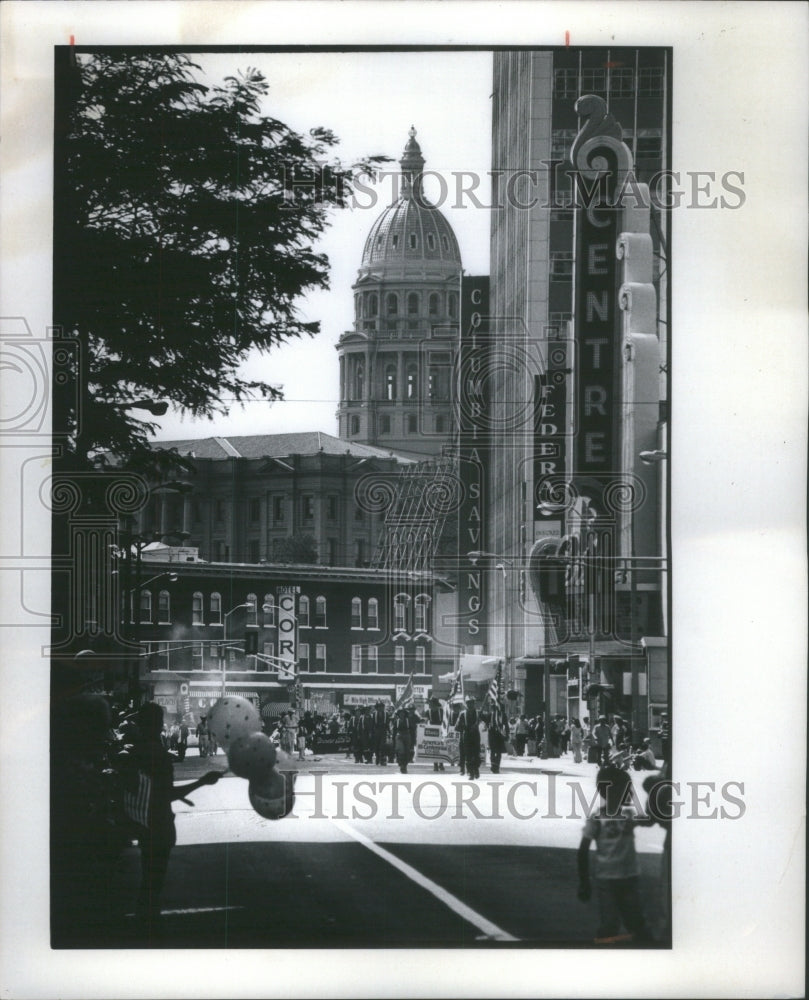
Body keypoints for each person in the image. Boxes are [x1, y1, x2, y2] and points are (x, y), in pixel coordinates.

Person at [120, 702, 221, 937]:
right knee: (155, 881)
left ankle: (142, 923)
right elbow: (169, 794)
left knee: (148, 877)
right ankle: (149, 928)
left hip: (142, 823)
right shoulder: (159, 756)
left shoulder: (134, 753)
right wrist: (202, 782)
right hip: (160, 823)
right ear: (158, 725)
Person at [576, 764, 652, 945]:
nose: (630, 794)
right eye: (627, 789)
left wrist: (654, 793)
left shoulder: (629, 814)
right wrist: (584, 882)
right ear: (610, 791)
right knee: (609, 925)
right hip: (607, 880)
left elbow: (650, 820)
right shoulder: (597, 818)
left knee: (635, 922)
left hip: (629, 877)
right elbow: (582, 850)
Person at [455, 697, 482, 780]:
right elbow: (457, 727)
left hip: (476, 737)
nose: (470, 705)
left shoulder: (478, 713)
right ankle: (470, 772)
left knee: (476, 755)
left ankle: (476, 769)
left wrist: (479, 722)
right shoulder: (462, 714)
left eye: (472, 703)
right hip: (466, 736)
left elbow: (487, 721)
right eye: (468, 703)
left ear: (474, 704)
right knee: (468, 755)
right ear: (466, 704)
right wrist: (464, 726)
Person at [392, 708, 412, 773]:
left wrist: (413, 740)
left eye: (403, 713)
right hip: (399, 736)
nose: (402, 714)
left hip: (407, 736)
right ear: (399, 715)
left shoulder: (408, 721)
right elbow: (394, 731)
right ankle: (401, 765)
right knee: (401, 751)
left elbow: (412, 731)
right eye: (400, 713)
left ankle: (405, 765)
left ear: (405, 714)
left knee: (407, 751)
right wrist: (393, 739)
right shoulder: (396, 721)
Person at [372, 701, 389, 766]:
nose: (380, 708)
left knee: (382, 745)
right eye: (379, 707)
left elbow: (387, 723)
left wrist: (389, 731)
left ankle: (382, 759)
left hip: (383, 731)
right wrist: (372, 732)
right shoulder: (374, 714)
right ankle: (377, 757)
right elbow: (372, 723)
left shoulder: (386, 714)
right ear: (377, 708)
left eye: (381, 707)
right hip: (376, 731)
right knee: (376, 745)